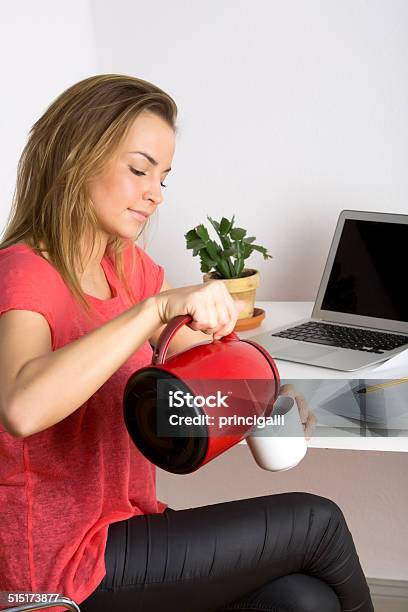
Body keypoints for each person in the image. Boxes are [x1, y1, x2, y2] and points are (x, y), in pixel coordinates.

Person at [0, 74, 373, 612]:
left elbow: (202, 367)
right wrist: (153, 308)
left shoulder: (128, 270)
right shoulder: (24, 271)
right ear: (76, 157)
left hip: (127, 528)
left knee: (302, 599)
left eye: (164, 178)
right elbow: (21, 406)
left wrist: (274, 403)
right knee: (318, 521)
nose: (154, 193)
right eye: (138, 169)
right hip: (58, 563)